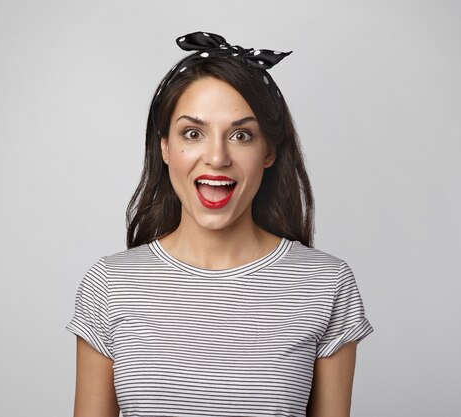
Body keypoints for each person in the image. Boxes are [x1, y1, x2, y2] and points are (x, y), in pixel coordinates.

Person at [66, 31, 373, 417]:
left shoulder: (326, 284)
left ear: (268, 151)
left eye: (241, 135)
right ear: (163, 146)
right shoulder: (110, 284)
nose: (216, 157)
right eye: (193, 133)